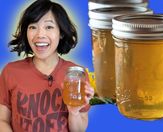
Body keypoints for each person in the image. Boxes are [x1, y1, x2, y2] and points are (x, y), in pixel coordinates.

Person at [0, 0, 94, 132]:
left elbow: (78, 130)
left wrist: (74, 112)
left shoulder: (77, 74)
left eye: (49, 27)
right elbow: (2, 120)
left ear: (61, 32)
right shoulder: (10, 71)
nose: (40, 35)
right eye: (33, 27)